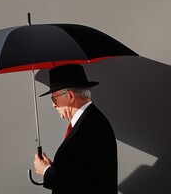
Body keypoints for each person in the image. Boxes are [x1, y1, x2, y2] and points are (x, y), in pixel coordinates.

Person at [33, 64, 118, 194]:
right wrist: (54, 168)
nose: (53, 105)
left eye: (54, 99)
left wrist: (47, 171)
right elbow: (81, 170)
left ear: (71, 96)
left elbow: (78, 183)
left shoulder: (89, 127)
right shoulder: (90, 121)